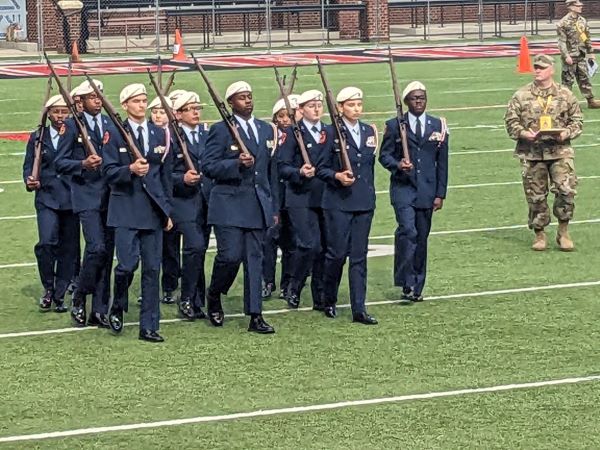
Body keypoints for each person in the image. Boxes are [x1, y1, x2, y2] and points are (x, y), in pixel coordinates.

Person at [203, 81, 276, 334]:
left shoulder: (265, 129)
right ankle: (214, 293)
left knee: (255, 261)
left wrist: (272, 206)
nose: (248, 100)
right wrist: (235, 163)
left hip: (256, 203)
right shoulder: (220, 130)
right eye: (241, 97)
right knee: (230, 257)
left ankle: (255, 315)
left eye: (249, 96)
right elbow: (208, 166)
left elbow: (270, 171)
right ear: (230, 103)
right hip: (229, 204)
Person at [103, 84, 173, 342]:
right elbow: (107, 172)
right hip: (125, 208)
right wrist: (129, 170)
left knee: (153, 269)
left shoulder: (159, 133)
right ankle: (118, 303)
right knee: (127, 265)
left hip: (153, 210)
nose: (142, 105)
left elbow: (164, 176)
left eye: (144, 100)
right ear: (125, 105)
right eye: (136, 101)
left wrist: (167, 210)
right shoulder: (114, 133)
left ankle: (149, 325)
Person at [379, 81, 449, 303]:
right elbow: (384, 155)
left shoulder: (438, 125)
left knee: (421, 237)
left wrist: (440, 194)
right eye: (414, 98)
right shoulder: (394, 125)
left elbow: (442, 162)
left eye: (422, 97)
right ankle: (406, 281)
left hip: (427, 190)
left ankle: (418, 285)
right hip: (403, 188)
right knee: (408, 231)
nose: (419, 101)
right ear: (406, 101)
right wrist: (398, 165)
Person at [504, 54, 582, 251]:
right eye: (536, 67)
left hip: (560, 151)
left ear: (551, 70)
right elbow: (511, 122)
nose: (537, 70)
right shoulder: (521, 95)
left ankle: (563, 231)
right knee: (535, 195)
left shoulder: (565, 94)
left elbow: (577, 120)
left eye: (542, 67)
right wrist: (524, 133)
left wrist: (566, 133)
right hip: (532, 152)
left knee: (566, 190)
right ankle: (539, 233)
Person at [55, 79, 115, 327]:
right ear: (80, 101)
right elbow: (60, 162)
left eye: (99, 95)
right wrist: (82, 164)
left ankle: (99, 308)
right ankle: (80, 295)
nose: (97, 100)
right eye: (92, 97)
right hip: (86, 194)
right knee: (96, 248)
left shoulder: (110, 123)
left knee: (107, 253)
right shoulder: (71, 126)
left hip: (111, 195)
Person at [316, 87, 378, 324]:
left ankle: (359, 308)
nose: (356, 109)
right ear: (340, 107)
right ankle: (328, 298)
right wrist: (337, 176)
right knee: (337, 254)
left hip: (363, 201)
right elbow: (320, 168)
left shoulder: (368, 131)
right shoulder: (330, 132)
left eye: (359, 104)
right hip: (338, 202)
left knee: (359, 257)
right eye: (351, 105)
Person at [22, 94, 78, 313]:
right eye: (56, 111)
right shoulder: (38, 136)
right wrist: (29, 180)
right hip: (46, 197)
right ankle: (48, 287)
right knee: (46, 243)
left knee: (69, 248)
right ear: (49, 113)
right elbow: (28, 165)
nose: (60, 116)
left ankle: (60, 293)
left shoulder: (76, 135)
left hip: (71, 198)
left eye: (64, 111)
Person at [277, 90, 332, 311]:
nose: (316, 109)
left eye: (319, 105)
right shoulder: (292, 133)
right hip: (300, 196)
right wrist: (298, 172)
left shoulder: (330, 131)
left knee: (325, 248)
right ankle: (295, 284)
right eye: (311, 106)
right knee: (309, 244)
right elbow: (282, 166)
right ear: (301, 110)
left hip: (326, 195)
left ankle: (319, 294)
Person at [170, 91, 211, 321]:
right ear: (178, 114)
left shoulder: (207, 134)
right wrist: (181, 179)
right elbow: (164, 174)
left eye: (197, 108)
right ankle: (186, 296)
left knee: (200, 250)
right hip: (183, 200)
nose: (196, 112)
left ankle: (197, 299)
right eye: (190, 109)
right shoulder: (171, 137)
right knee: (194, 246)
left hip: (206, 198)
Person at [262, 96, 296, 300]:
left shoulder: (300, 136)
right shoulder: (269, 136)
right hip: (273, 194)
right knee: (269, 240)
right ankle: (267, 281)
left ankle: (287, 283)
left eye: (288, 116)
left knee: (291, 241)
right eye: (281, 116)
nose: (285, 120)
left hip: (293, 196)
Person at [557, 0, 600, 108]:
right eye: (578, 6)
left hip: (581, 55)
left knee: (584, 78)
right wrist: (566, 56)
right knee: (567, 81)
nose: (581, 7)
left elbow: (586, 37)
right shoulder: (563, 23)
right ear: (571, 7)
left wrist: (590, 52)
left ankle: (590, 101)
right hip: (570, 56)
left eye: (581, 5)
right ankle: (565, 104)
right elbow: (562, 42)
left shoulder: (582, 21)